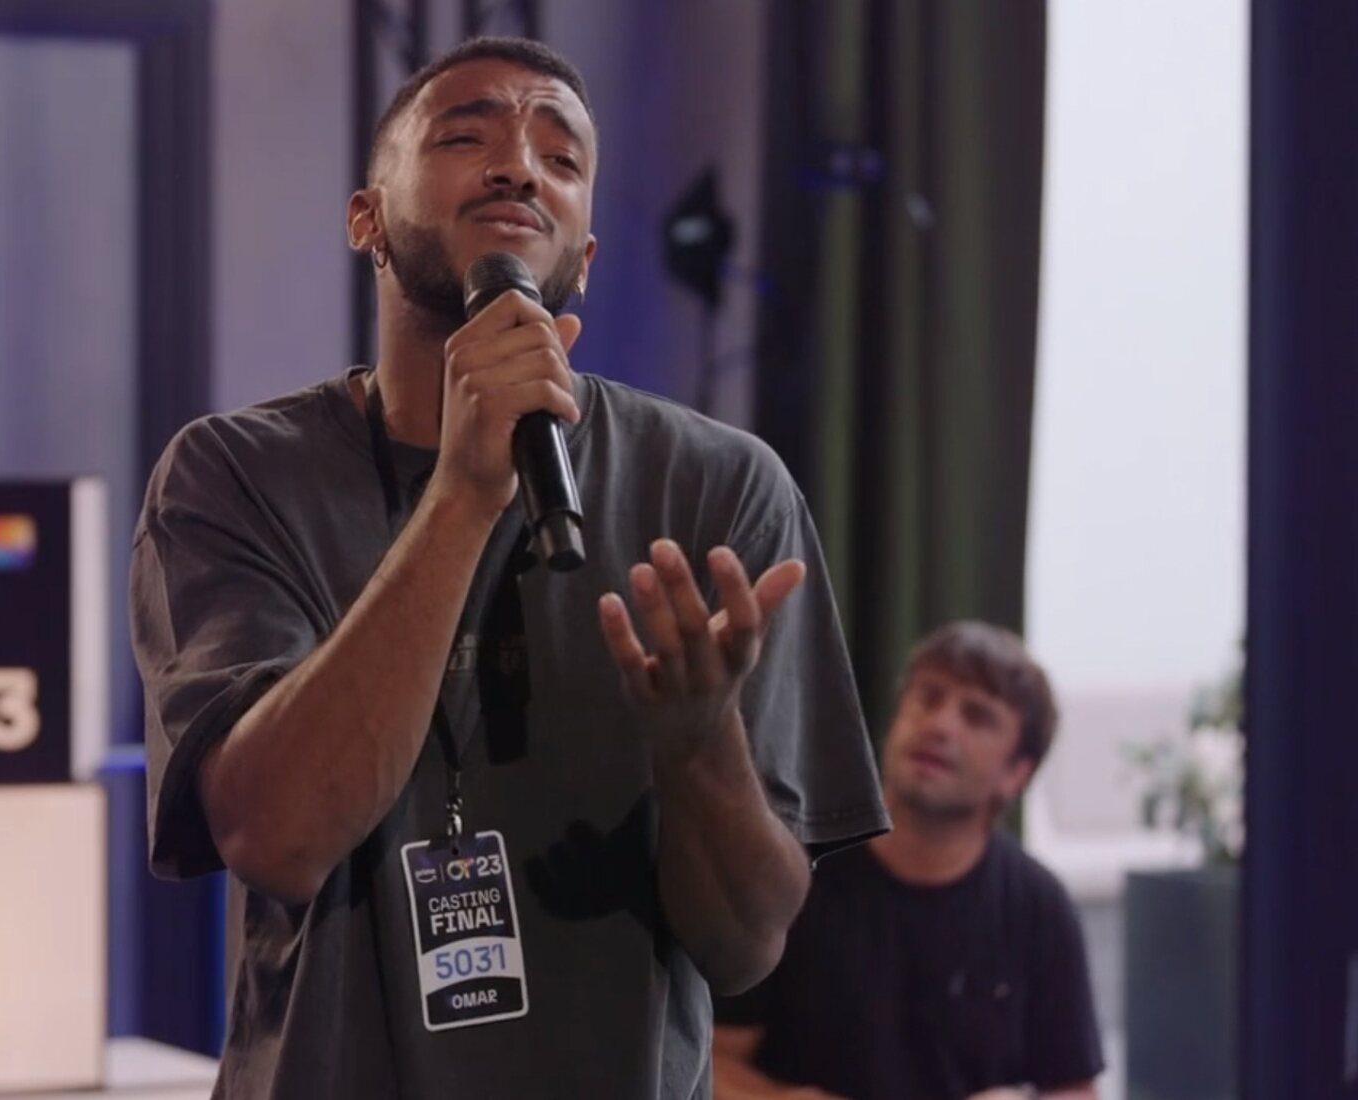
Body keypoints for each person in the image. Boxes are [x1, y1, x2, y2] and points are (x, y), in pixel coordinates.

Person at [132, 36, 889, 1099]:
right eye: (465, 136)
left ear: (584, 254)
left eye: (561, 157)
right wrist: (463, 492)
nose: (519, 168)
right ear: (365, 219)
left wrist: (696, 739)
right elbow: (276, 835)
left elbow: (747, 944)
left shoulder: (720, 488)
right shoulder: (235, 473)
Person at [711, 622, 1105, 1100]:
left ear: (1016, 774)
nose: (941, 725)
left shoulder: (1038, 905)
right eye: (929, 697)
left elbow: (1075, 1087)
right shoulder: (792, 874)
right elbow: (709, 1059)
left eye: (977, 716)